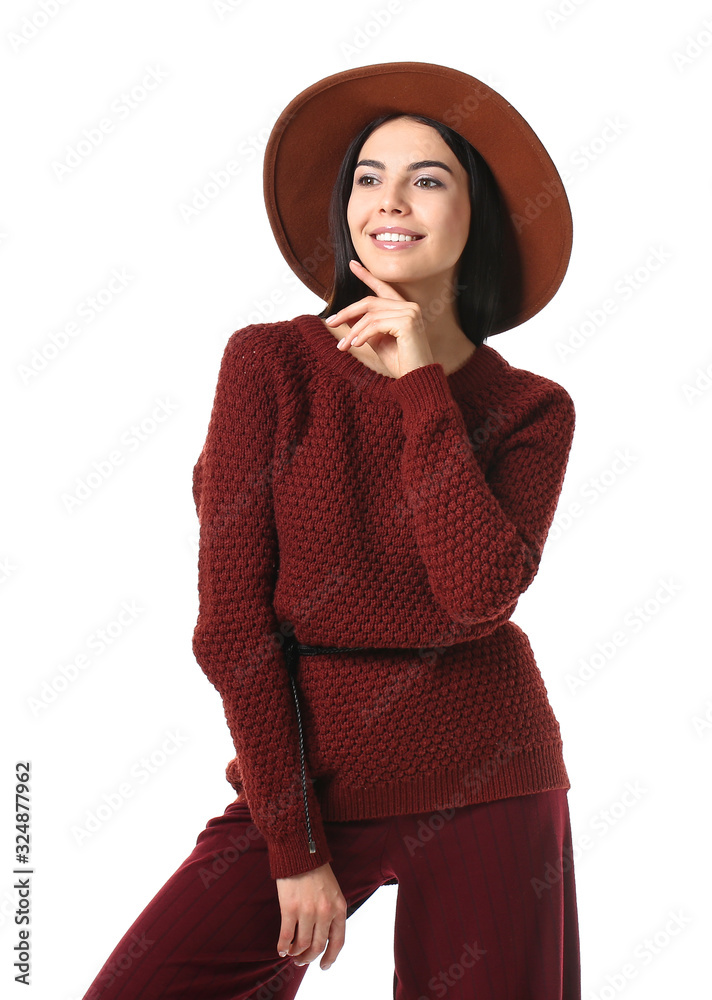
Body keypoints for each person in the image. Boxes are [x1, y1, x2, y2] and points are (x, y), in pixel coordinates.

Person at [80, 61, 581, 1000]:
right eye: (367, 176)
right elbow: (233, 628)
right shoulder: (268, 365)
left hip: (490, 774)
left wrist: (423, 387)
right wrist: (292, 843)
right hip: (310, 783)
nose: (388, 201)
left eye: (427, 178)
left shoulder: (528, 409)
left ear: (480, 220)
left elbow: (477, 594)